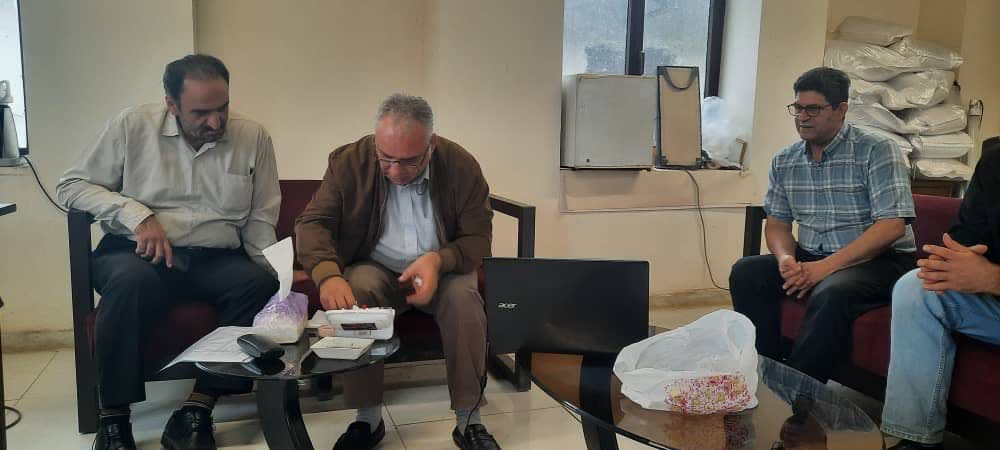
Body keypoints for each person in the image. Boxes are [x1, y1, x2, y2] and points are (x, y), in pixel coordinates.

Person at [56, 54, 281, 450]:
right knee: (130, 283)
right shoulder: (132, 126)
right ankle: (114, 420)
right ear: (171, 104)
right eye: (201, 113)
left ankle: (198, 407)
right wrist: (135, 214)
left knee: (259, 284)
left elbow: (260, 219)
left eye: (222, 108)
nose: (216, 122)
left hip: (214, 257)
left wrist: (280, 273)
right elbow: (71, 186)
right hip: (136, 253)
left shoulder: (253, 136)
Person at [295, 93, 499, 450]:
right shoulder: (348, 162)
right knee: (358, 289)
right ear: (376, 141)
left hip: (443, 269)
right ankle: (367, 419)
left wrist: (439, 260)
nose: (395, 171)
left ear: (430, 146)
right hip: (375, 267)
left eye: (409, 161)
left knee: (464, 299)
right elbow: (313, 223)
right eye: (386, 158)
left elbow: (478, 238)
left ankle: (469, 419)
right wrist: (328, 274)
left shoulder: (461, 165)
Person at [729, 67, 916, 383]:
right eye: (798, 108)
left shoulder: (877, 150)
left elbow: (891, 227)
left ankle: (797, 394)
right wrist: (786, 260)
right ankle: (764, 373)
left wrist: (824, 269)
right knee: (746, 272)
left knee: (832, 291)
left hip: (879, 261)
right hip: (813, 254)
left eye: (813, 109)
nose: (802, 117)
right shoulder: (785, 160)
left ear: (841, 109)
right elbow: (777, 224)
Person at [880, 141, 1000, 450]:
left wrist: (992, 277)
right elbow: (967, 236)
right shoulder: (995, 162)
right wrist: (957, 263)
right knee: (917, 287)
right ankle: (915, 438)